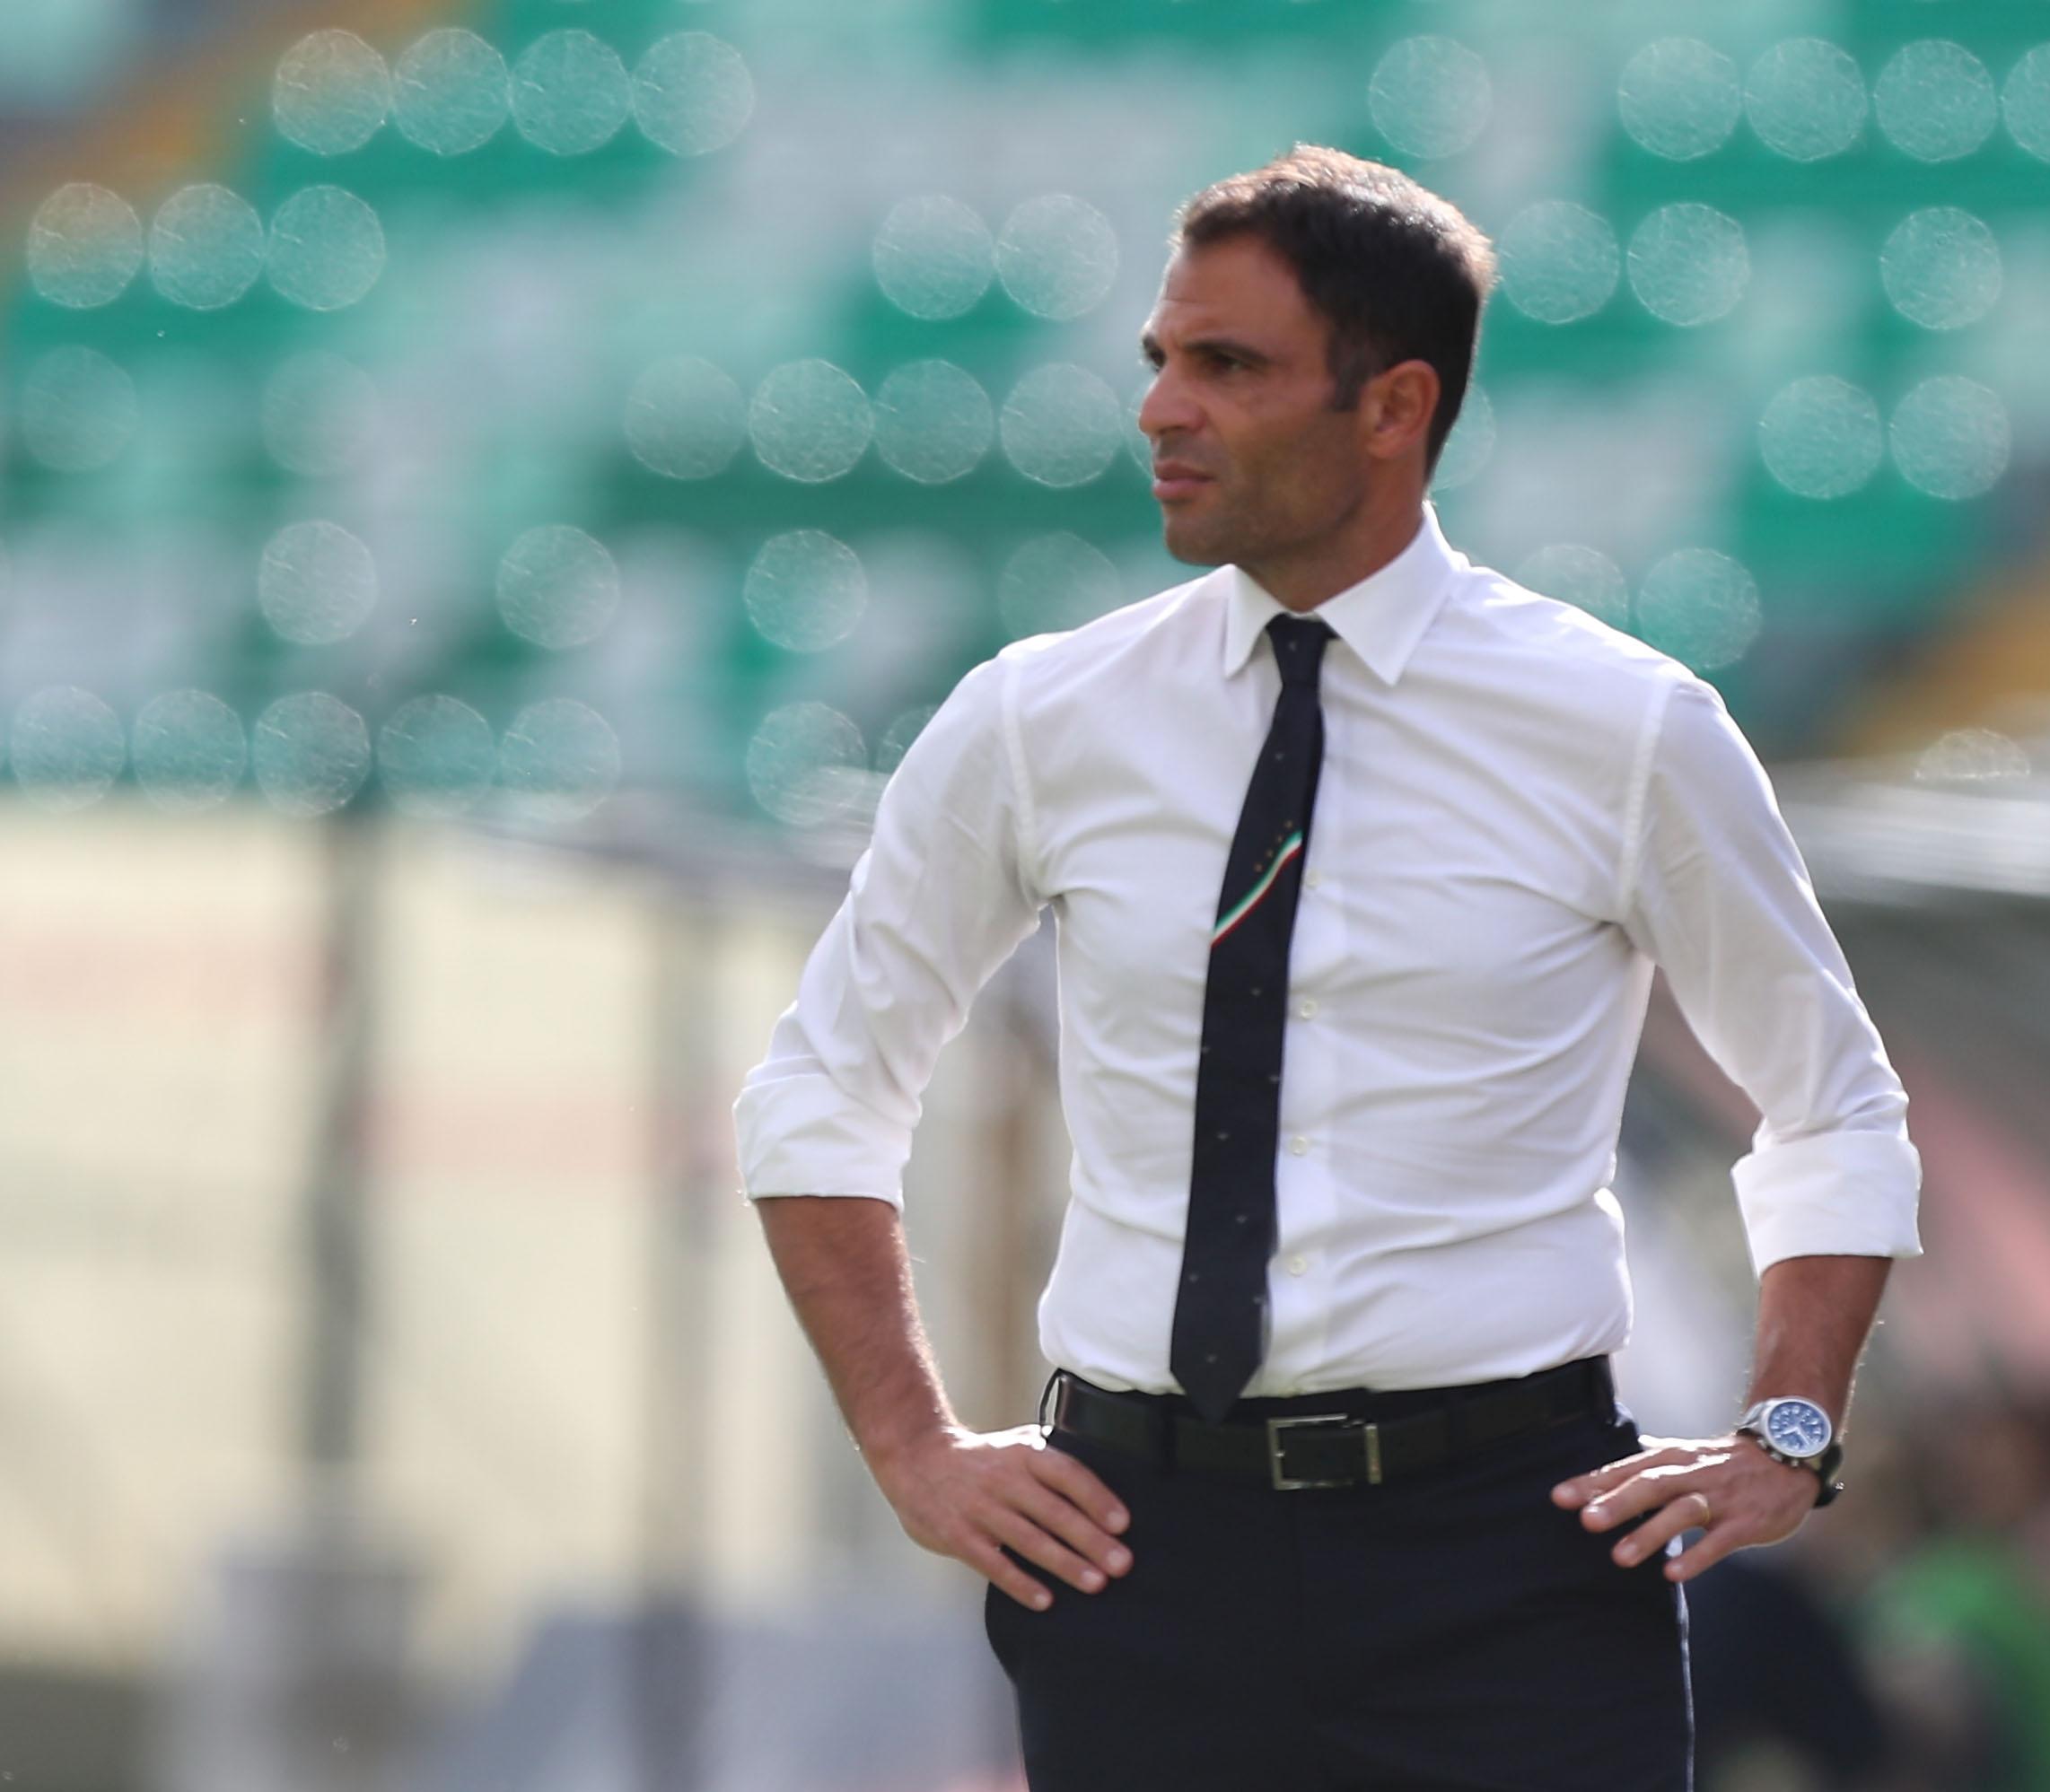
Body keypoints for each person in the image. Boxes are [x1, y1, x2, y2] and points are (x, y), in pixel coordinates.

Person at [733, 144, 1923, 1792]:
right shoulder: (1035, 718)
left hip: (1510, 1553)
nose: (1162, 409)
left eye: (1228, 365)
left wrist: (1787, 1432)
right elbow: (819, 1091)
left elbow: (1835, 1107)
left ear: (1394, 406)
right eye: (1160, 357)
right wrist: (913, 1444)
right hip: (1135, 1550)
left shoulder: (1626, 726)